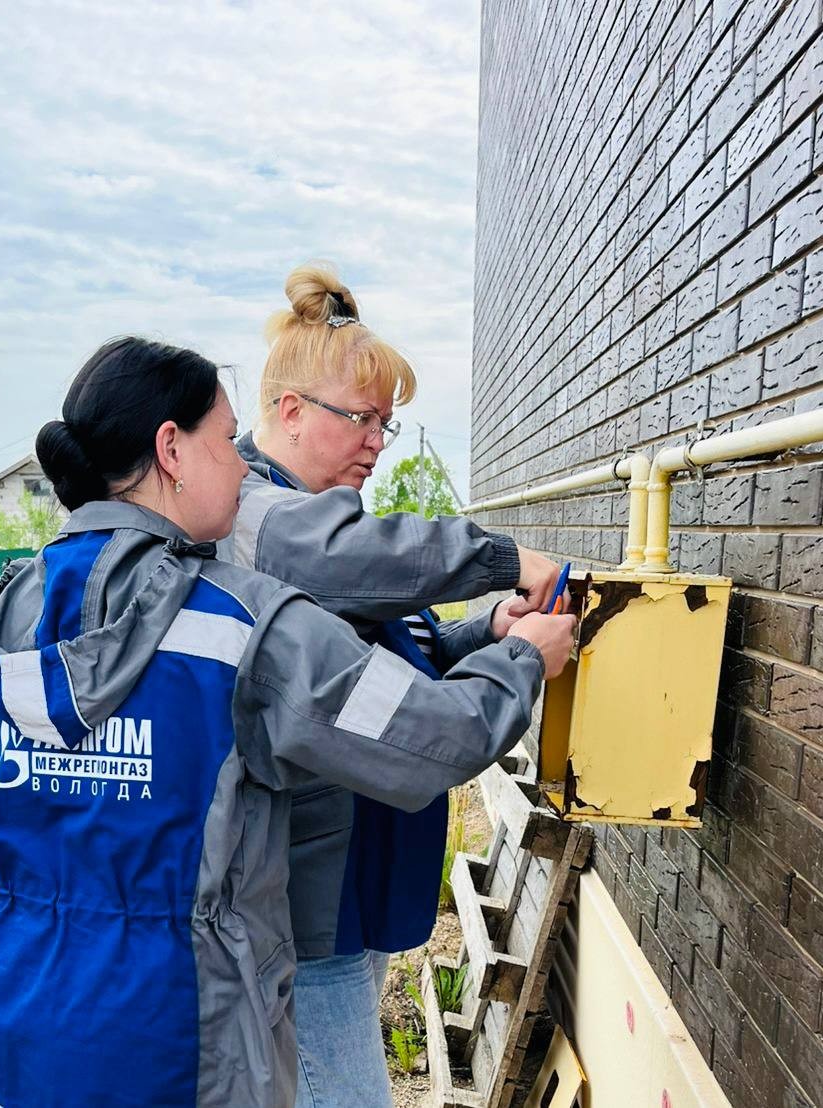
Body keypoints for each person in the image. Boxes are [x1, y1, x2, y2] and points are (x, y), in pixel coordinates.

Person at [0, 335, 577, 1108]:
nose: (243, 464)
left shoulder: (11, 604)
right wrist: (523, 660)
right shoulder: (241, 623)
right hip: (180, 1030)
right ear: (171, 450)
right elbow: (433, 739)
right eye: (224, 440)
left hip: (23, 1001)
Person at [220, 263, 556, 1106]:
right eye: (361, 418)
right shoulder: (257, 515)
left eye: (387, 422)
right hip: (306, 893)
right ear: (288, 412)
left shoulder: (314, 513)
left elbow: (388, 656)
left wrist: (489, 631)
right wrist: (507, 561)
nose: (377, 440)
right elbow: (353, 564)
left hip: (355, 875)